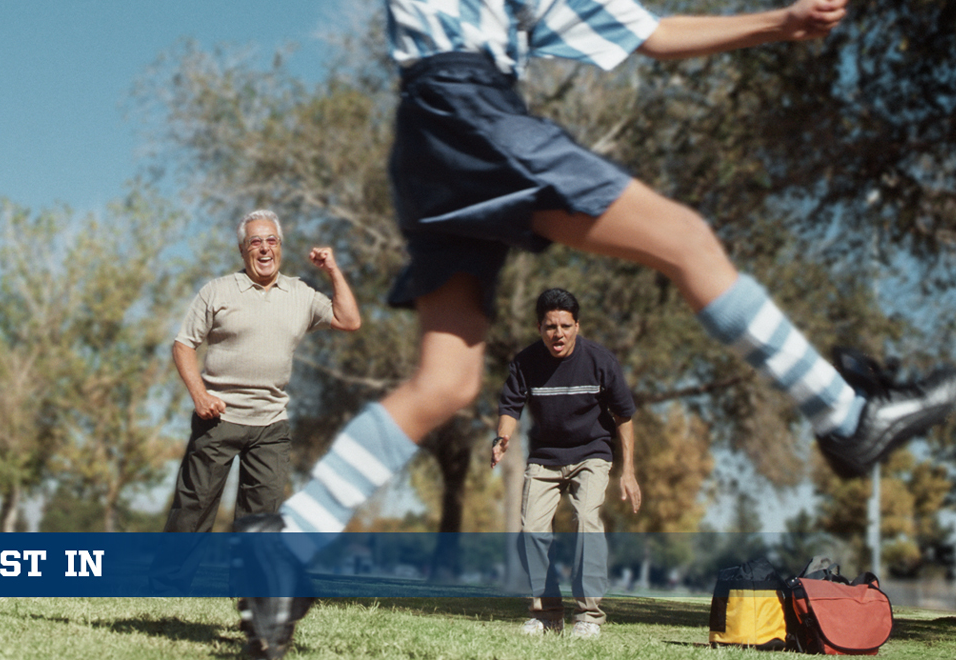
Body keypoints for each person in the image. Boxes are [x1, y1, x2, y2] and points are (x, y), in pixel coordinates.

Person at [230, 1, 956, 657]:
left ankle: (286, 547)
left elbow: (645, 32)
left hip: (427, 135)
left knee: (445, 382)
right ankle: (844, 414)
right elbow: (647, 35)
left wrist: (777, 23)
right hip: (470, 107)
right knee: (687, 240)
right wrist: (778, 25)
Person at [149, 209, 361, 594]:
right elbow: (183, 345)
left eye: (271, 240)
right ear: (243, 250)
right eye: (255, 242)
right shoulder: (217, 291)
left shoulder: (300, 294)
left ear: (280, 247)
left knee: (261, 517)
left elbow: (349, 320)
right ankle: (166, 587)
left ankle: (251, 598)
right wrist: (200, 395)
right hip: (218, 417)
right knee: (194, 506)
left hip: (271, 424)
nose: (264, 248)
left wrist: (332, 269)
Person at [490, 288, 640, 639]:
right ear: (538, 327)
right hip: (545, 456)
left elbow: (624, 416)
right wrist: (502, 438)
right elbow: (511, 406)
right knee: (532, 530)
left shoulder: (600, 361)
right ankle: (546, 616)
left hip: (592, 452)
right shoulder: (526, 362)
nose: (558, 334)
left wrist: (628, 471)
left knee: (587, 520)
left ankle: (588, 616)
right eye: (549, 326)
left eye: (565, 326)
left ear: (577, 326)